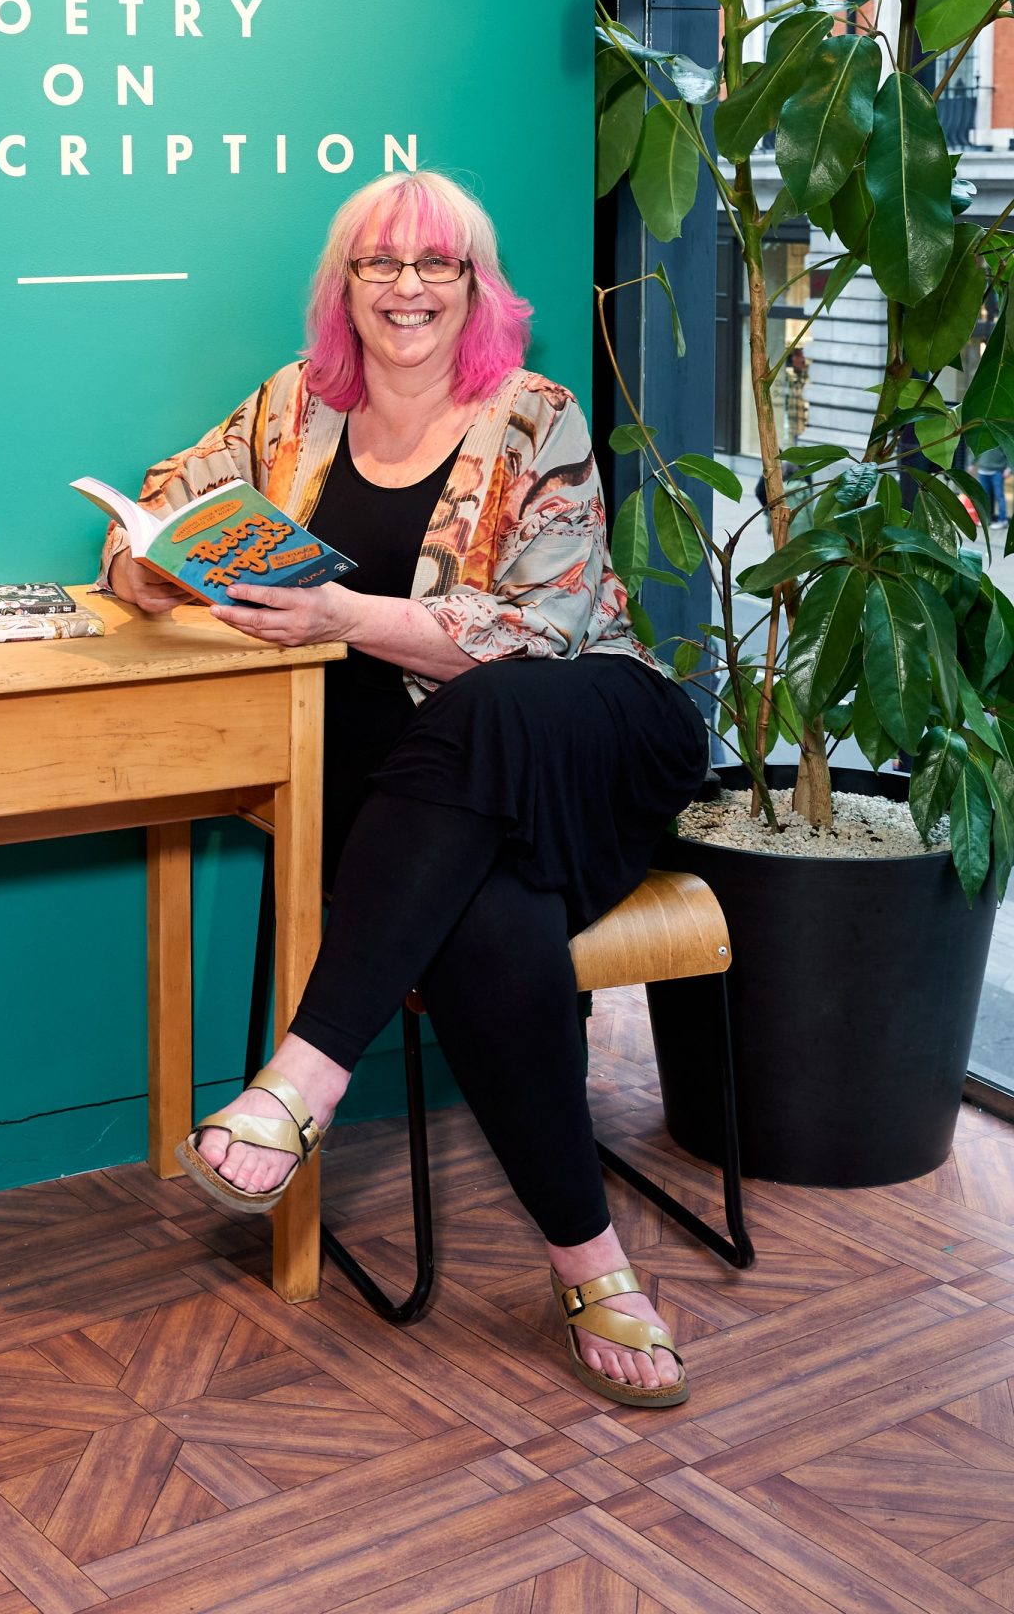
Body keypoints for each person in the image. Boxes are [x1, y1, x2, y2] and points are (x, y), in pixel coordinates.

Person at [103, 170, 711, 1410]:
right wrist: (149, 572)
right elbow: (157, 507)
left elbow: (537, 633)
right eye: (379, 265)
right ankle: (590, 1263)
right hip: (412, 800)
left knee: (490, 699)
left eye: (438, 266)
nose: (408, 288)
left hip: (584, 734)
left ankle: (303, 1077)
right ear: (344, 287)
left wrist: (336, 613)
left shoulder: (534, 415)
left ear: (478, 288)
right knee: (489, 921)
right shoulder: (292, 406)